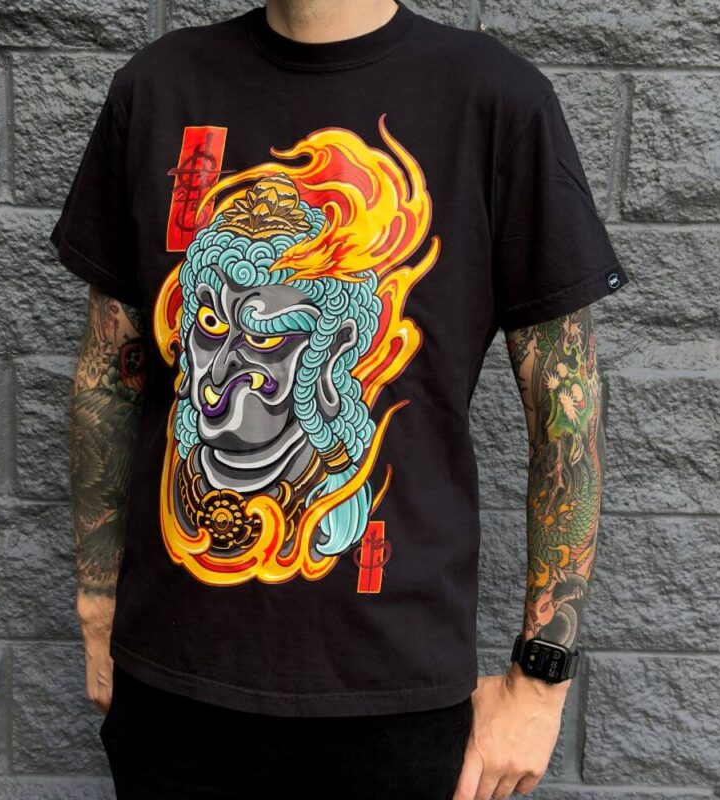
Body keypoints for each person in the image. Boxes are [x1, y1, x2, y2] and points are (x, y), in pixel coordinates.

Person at [50, 1, 630, 797]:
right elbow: (109, 378)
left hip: (395, 700)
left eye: (271, 335)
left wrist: (542, 676)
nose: (222, 380)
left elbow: (567, 411)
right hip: (171, 689)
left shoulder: (493, 99)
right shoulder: (159, 87)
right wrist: (96, 602)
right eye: (213, 323)